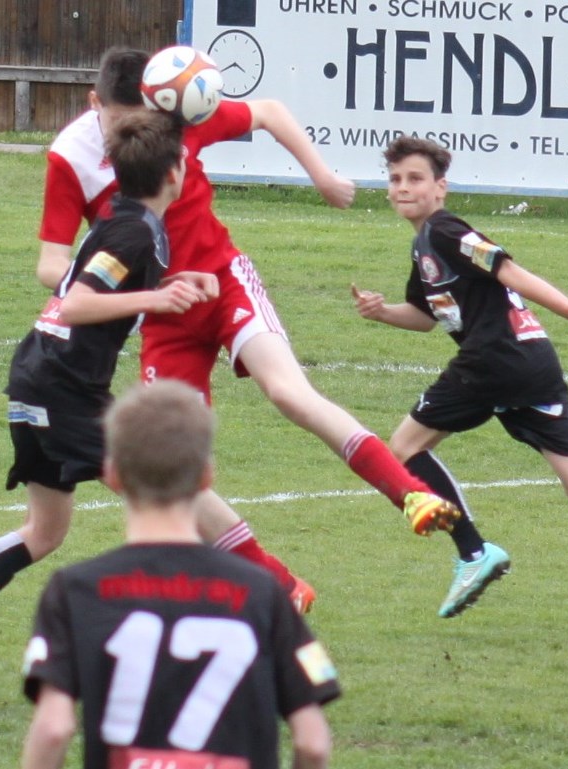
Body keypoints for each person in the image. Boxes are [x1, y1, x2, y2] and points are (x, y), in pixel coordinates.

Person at [37, 47, 463, 599]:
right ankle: (281, 585)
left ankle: (410, 494)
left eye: (146, 113)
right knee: (173, 471)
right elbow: (51, 264)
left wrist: (321, 176)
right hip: (165, 317)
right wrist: (139, 293)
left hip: (224, 282)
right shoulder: (70, 158)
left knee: (288, 392)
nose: (139, 126)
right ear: (96, 106)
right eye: (123, 119)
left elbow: (268, 112)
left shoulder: (177, 121)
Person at [0, 109, 218, 695]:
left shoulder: (126, 220)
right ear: (174, 173)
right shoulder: (134, 230)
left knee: (45, 531)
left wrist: (168, 287)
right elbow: (79, 303)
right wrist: (155, 300)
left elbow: (94, 284)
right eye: (186, 157)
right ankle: (196, 641)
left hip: (41, 379)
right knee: (164, 499)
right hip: (63, 390)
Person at [351, 135, 568, 652]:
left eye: (415, 178)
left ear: (440, 187)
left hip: (492, 361)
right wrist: (381, 313)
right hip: (533, 362)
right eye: (396, 179)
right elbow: (425, 317)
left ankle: (473, 552)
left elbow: (505, 268)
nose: (403, 187)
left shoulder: (446, 230)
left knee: (402, 448)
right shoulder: (424, 245)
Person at [20, 379, 340, 769]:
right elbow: (312, 742)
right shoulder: (263, 591)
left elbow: (54, 729)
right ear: (206, 477)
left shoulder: (75, 589)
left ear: (113, 474)